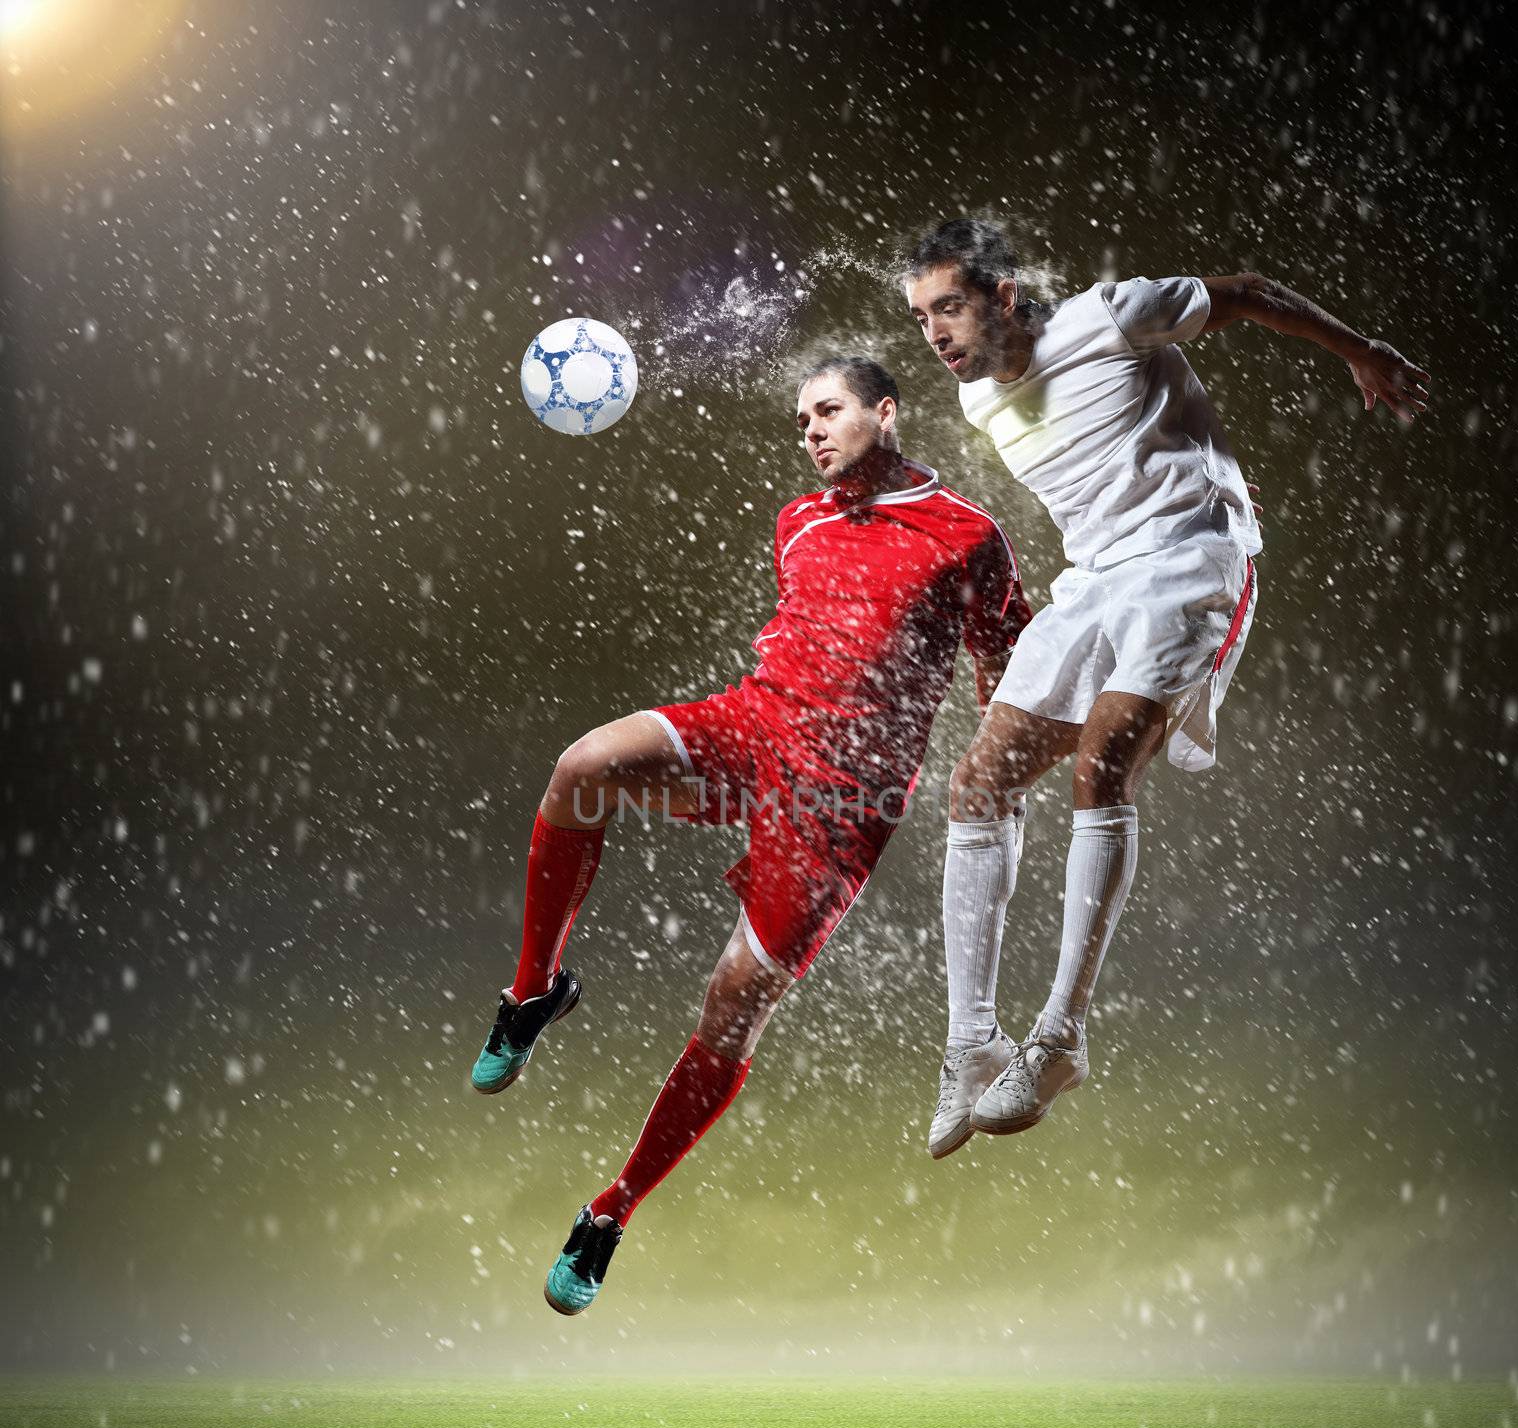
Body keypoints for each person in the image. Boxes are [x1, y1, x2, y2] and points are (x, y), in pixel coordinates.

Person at [470, 355, 1031, 1313]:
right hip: (756, 727)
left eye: (829, 411)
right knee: (582, 768)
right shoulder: (798, 521)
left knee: (732, 1005)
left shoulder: (968, 537)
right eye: (800, 418)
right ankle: (535, 991)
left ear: (884, 413)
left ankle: (611, 1210)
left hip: (842, 807)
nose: (811, 431)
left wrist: (1004, 764)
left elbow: (1009, 668)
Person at [903, 218, 1430, 1148]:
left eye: (949, 307)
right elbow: (1115, 459)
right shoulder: (985, 402)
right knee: (976, 787)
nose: (935, 333)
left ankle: (1059, 1036)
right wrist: (1207, 461)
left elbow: (1252, 291)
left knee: (1101, 769)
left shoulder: (1112, 316)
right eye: (921, 319)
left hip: (1190, 562)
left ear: (1004, 295)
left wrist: (1363, 352)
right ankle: (972, 1041)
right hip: (1095, 579)